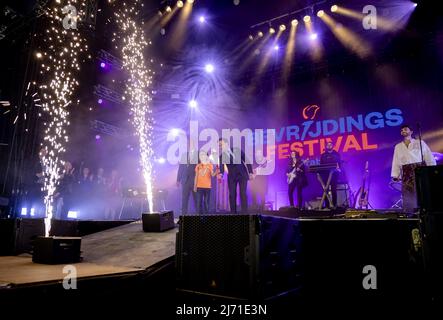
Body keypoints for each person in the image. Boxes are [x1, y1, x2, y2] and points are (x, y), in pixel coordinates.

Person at [218, 138, 253, 213]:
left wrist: (250, 172)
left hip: (242, 174)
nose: (221, 147)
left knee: (243, 193)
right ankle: (233, 213)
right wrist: (221, 174)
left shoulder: (236, 150)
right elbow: (221, 167)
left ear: (226, 144)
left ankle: (245, 213)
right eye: (219, 146)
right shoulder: (221, 156)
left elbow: (246, 159)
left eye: (221, 144)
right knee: (232, 194)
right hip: (232, 177)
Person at [176, 146, 198, 215]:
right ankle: (183, 216)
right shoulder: (184, 155)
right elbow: (181, 168)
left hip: (195, 181)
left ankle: (199, 216)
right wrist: (178, 179)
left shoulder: (197, 155)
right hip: (185, 181)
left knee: (197, 199)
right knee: (184, 200)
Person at [320, 141, 341, 208]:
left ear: (333, 146)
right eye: (328, 145)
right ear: (326, 146)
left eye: (330, 145)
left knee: (333, 190)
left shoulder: (336, 154)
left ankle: (334, 205)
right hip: (326, 175)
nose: (329, 146)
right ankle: (327, 205)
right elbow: (321, 165)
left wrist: (338, 168)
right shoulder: (323, 155)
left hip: (334, 175)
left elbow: (339, 164)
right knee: (326, 190)